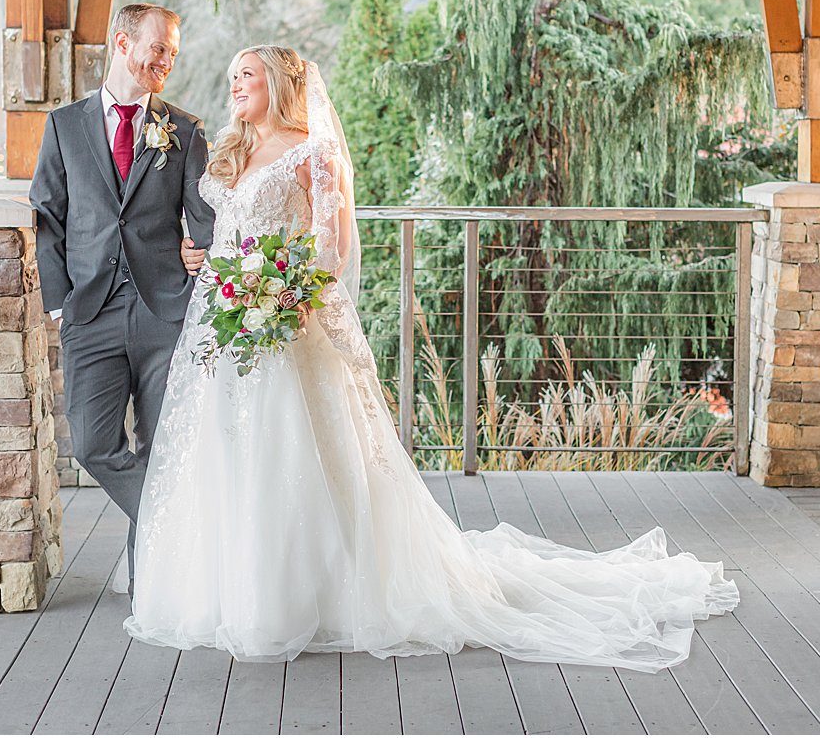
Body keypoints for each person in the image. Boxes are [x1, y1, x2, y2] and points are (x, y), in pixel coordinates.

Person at [122, 44, 740, 671]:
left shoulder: (314, 153)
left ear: (279, 84)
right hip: (225, 326)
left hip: (285, 323)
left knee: (292, 451)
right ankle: (229, 591)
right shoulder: (231, 150)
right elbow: (221, 229)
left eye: (246, 76)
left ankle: (311, 595)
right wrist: (202, 260)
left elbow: (331, 247)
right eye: (232, 77)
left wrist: (282, 298)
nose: (234, 87)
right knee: (229, 450)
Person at [29, 2, 215, 594]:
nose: (165, 61)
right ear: (122, 43)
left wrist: (204, 259)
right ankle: (181, 523)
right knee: (91, 443)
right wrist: (59, 302)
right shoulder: (64, 126)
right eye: (157, 48)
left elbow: (204, 219)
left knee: (162, 447)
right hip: (90, 312)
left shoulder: (183, 130)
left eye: (172, 53)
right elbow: (49, 218)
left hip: (166, 309)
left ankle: (155, 586)